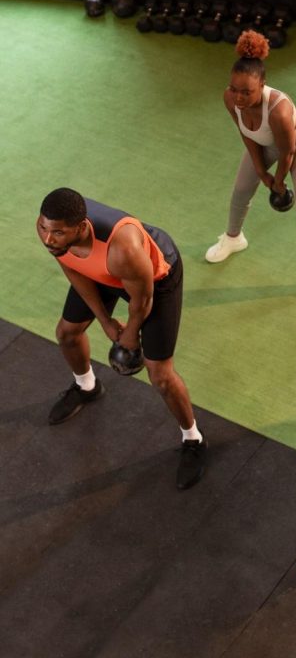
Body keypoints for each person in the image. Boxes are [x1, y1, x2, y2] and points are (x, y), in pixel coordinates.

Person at [36, 188, 208, 489]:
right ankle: (87, 387)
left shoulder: (123, 249)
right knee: (66, 333)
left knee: (161, 375)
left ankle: (193, 439)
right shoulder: (52, 231)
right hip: (101, 272)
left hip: (153, 280)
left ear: (81, 227)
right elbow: (73, 268)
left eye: (57, 233)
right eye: (45, 229)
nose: (49, 239)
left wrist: (129, 337)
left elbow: (141, 302)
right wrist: (104, 321)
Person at [205, 30, 296, 309]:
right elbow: (246, 134)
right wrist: (260, 171)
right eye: (235, 89)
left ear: (263, 85)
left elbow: (288, 151)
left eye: (247, 92)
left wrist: (278, 182)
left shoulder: (279, 110)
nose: (239, 97)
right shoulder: (230, 99)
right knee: (240, 191)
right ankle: (234, 238)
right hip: (265, 143)